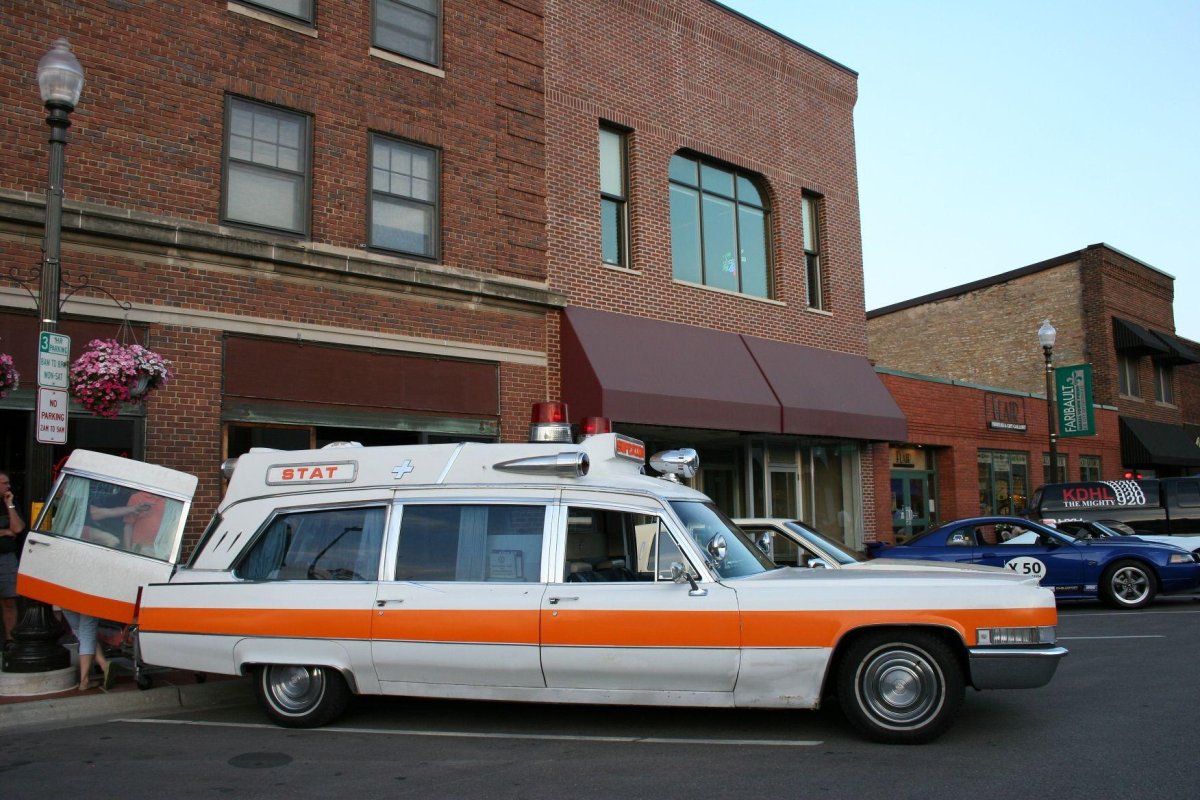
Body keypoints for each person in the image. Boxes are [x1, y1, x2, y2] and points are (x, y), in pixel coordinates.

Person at [0, 471, 25, 651]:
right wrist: (4, 532)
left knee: (9, 599)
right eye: (4, 483)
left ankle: (10, 641)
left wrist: (9, 505)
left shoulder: (9, 503)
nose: (8, 487)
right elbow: (10, 532)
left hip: (6, 557)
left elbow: (17, 528)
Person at [60, 609, 113, 691]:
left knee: (82, 633)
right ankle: (84, 681)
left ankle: (104, 665)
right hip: (87, 599)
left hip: (65, 600)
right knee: (87, 633)